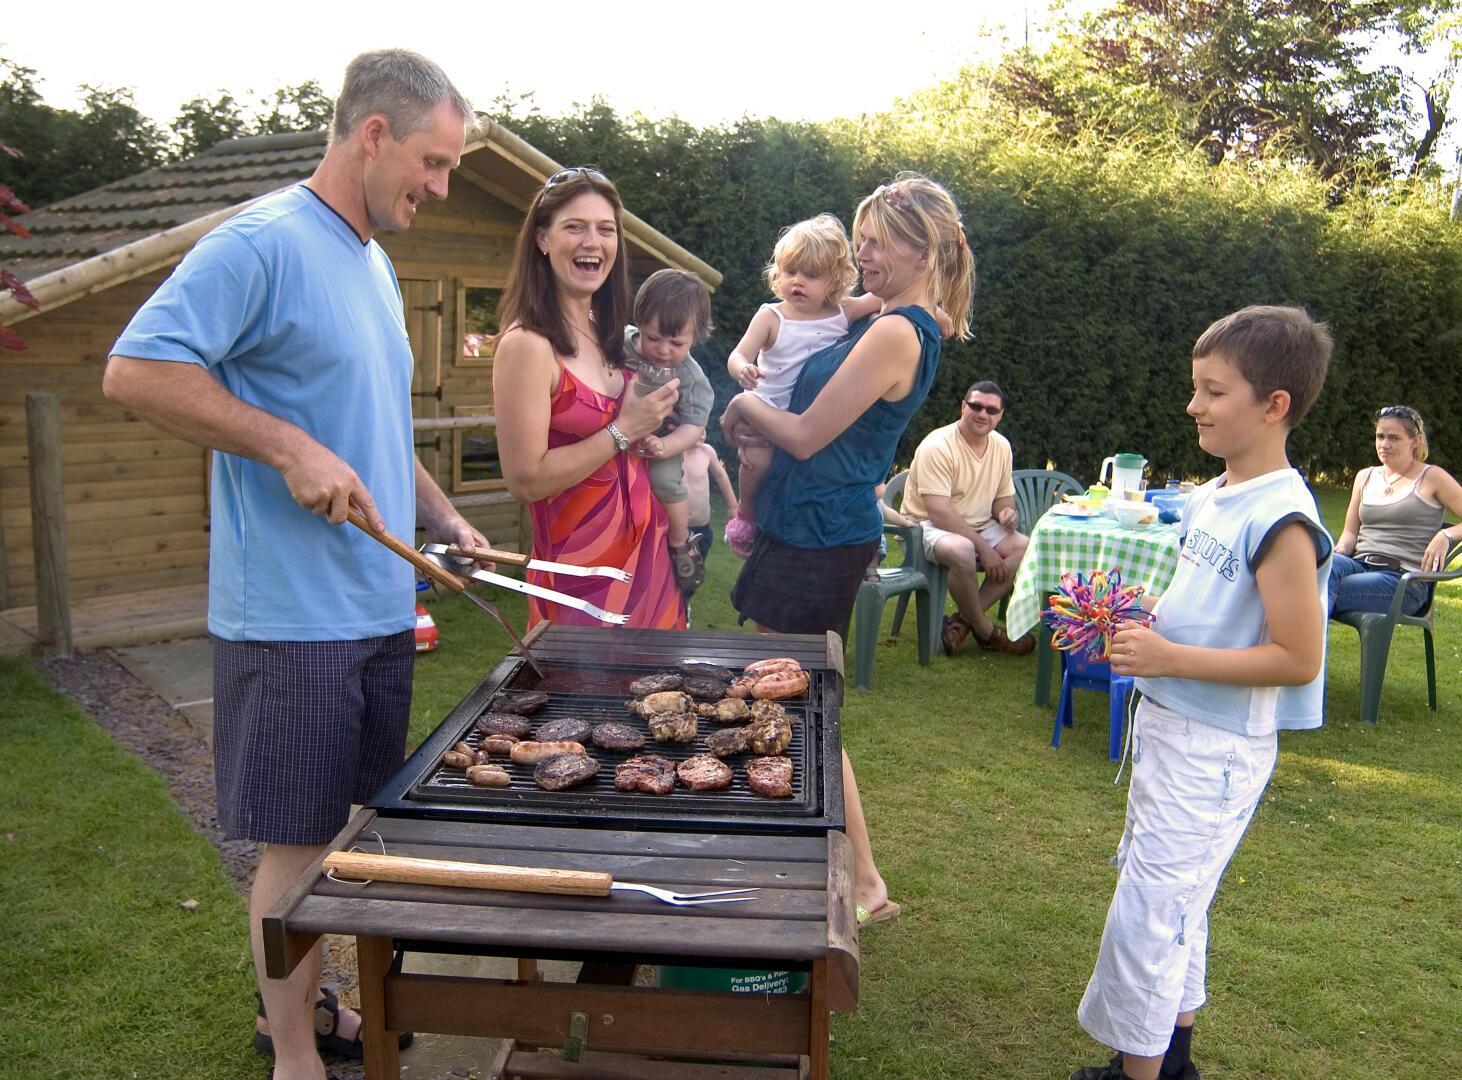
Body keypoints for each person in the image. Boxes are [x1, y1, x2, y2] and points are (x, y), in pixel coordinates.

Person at [102, 49, 482, 1079]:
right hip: (287, 617)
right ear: (372, 136)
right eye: (432, 162)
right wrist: (284, 445)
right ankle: (294, 1055)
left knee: (348, 835)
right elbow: (134, 369)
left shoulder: (373, 257)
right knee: (293, 846)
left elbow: (370, 428)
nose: (440, 188)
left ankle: (311, 1011)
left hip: (375, 605)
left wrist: (442, 515)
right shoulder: (263, 242)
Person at [1071, 305, 1335, 1080]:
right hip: (1173, 728)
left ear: (1273, 405)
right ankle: (1172, 1056)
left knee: (1152, 915)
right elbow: (1214, 605)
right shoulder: (1219, 490)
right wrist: (1151, 621)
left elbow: (1296, 659)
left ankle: (1137, 1075)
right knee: (1177, 902)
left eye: (1213, 391)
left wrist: (1171, 655)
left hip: (1216, 751)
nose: (1194, 405)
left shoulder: (1283, 517)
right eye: (1197, 388)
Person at [721, 173, 975, 925]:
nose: (863, 252)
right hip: (807, 526)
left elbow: (802, 434)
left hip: (819, 537)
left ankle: (860, 880)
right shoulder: (886, 316)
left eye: (878, 240)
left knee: (797, 705)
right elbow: (811, 346)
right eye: (860, 238)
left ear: (925, 249)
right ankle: (855, 875)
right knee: (798, 703)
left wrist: (742, 408)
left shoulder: (900, 330)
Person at [492, 167, 684, 629]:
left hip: (650, 564)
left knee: (665, 698)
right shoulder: (527, 345)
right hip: (580, 579)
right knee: (590, 701)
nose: (592, 242)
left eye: (605, 229)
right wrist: (624, 430)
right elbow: (524, 480)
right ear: (542, 239)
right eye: (574, 227)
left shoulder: (611, 333)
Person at [722, 214, 884, 557]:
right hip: (769, 411)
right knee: (757, 459)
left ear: (835, 281)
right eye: (790, 272)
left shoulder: (842, 312)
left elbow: (888, 299)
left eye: (811, 276)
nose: (797, 282)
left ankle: (868, 529)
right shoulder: (771, 316)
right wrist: (743, 369)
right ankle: (745, 513)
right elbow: (738, 353)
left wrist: (934, 313)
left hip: (814, 416)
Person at [899, 379, 1033, 655]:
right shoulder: (938, 445)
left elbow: (1002, 498)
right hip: (923, 526)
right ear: (963, 407)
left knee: (1025, 547)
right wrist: (986, 550)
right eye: (976, 406)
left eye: (991, 410)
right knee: (963, 550)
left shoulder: (1001, 446)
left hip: (978, 525)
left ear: (1000, 415)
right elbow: (939, 511)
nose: (983, 414)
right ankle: (986, 630)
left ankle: (960, 623)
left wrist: (1005, 513)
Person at [622, 269, 718, 595]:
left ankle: (680, 543)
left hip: (658, 438)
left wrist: (665, 445)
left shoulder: (690, 376)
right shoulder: (618, 343)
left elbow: (694, 426)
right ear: (640, 323)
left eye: (676, 342)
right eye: (653, 338)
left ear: (695, 336)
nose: (663, 349)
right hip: (613, 432)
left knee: (665, 482)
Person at [1329, 405, 1462, 617]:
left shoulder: (1432, 477)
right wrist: (1337, 554)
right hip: (1358, 565)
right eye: (1380, 436)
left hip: (1403, 582)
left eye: (1394, 438)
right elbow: (1350, 533)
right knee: (1317, 571)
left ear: (1415, 441)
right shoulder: (1365, 477)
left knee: (1314, 590)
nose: (1384, 444)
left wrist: (1446, 534)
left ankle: (1300, 649)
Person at [683, 432, 737, 566]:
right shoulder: (670, 454)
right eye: (697, 429)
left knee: (694, 573)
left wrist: (732, 506)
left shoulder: (706, 451)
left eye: (704, 429)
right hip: (674, 529)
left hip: (701, 528)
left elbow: (720, 475)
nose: (701, 434)